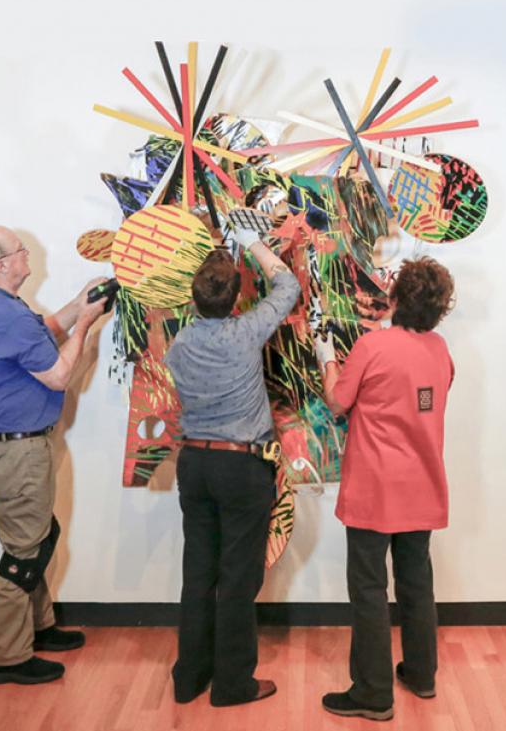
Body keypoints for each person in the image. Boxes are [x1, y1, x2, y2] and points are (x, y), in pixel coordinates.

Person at [0, 225, 107, 686]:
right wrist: (87, 326)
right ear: (2, 264)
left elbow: (43, 332)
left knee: (39, 535)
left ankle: (38, 628)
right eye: (21, 251)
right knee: (23, 551)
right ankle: (4, 657)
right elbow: (60, 375)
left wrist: (81, 304)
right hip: (18, 450)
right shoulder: (4, 316)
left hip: (17, 445)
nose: (28, 256)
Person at [163, 229, 300, 707]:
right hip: (240, 468)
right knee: (238, 578)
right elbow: (288, 288)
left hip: (195, 464)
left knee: (198, 572)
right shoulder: (245, 332)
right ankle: (232, 684)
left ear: (194, 297)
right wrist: (253, 242)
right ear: (236, 294)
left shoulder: (179, 344)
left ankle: (189, 677)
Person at [315, 256, 455, 722]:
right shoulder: (440, 350)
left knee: (370, 590)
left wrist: (326, 357)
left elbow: (338, 401)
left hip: (376, 491)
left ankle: (373, 693)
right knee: (417, 584)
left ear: (395, 299)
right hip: (423, 487)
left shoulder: (373, 347)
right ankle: (421, 673)